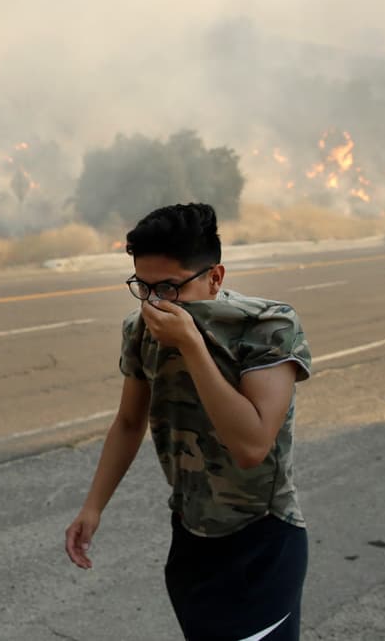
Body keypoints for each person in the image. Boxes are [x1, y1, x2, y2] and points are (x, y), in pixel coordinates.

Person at [64, 202, 312, 641]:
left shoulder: (267, 327)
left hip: (260, 543)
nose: (156, 302)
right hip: (191, 538)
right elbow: (127, 423)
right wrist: (93, 506)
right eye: (143, 287)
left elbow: (252, 446)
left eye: (170, 288)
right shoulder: (140, 330)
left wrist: (192, 346)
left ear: (215, 277)